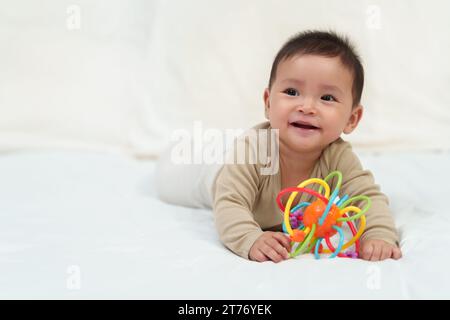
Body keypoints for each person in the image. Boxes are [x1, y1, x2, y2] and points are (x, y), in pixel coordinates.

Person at [156, 30, 402, 263]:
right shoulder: (255, 150)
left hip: (234, 154)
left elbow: (367, 197)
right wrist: (250, 238)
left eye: (327, 97)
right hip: (205, 172)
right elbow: (230, 203)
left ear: (351, 119)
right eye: (292, 91)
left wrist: (378, 234)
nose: (306, 107)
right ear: (268, 102)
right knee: (171, 173)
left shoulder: (337, 156)